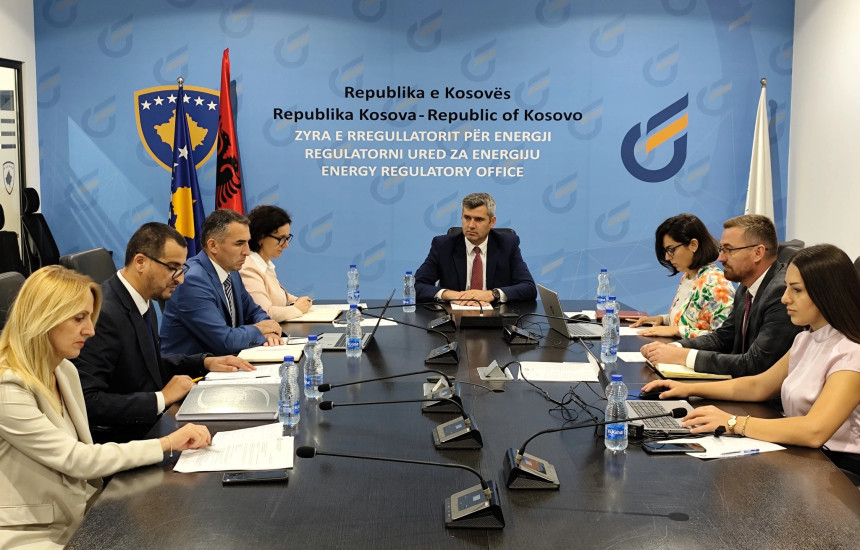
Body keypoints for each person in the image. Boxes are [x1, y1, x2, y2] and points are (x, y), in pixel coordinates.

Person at [0, 266, 211, 548]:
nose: (90, 330)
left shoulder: (64, 369)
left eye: (90, 317)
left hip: (76, 516)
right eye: (79, 318)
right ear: (43, 317)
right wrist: (167, 443)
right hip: (28, 533)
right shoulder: (7, 387)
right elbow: (76, 459)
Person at [642, 244, 860, 475]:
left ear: (827, 294)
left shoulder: (851, 352)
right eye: (787, 287)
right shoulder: (806, 338)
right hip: (805, 458)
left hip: (839, 470)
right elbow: (759, 386)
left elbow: (814, 431)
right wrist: (689, 389)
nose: (785, 298)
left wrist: (733, 423)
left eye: (796, 290)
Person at [73, 222, 254, 443]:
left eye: (182, 269)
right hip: (124, 441)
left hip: (148, 426)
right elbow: (88, 402)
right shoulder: (103, 315)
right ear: (140, 262)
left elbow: (146, 365)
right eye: (172, 268)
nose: (180, 279)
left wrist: (205, 362)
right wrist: (161, 398)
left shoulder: (143, 298)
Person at [641, 214, 800, 377]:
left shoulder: (781, 294)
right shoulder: (746, 287)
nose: (720, 258)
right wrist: (675, 347)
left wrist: (684, 356)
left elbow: (755, 364)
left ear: (758, 252)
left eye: (729, 250)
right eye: (721, 249)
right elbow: (723, 338)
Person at [160, 209, 283, 356]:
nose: (247, 251)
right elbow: (225, 341)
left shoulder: (232, 272)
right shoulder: (193, 280)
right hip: (194, 368)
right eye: (239, 243)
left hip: (226, 361)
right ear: (213, 245)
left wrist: (270, 330)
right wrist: (259, 330)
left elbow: (254, 312)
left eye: (247, 243)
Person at [414, 192, 536, 304]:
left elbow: (529, 288)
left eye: (479, 219)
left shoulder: (507, 244)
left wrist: (492, 294)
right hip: (454, 314)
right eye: (467, 218)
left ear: (492, 222)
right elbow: (416, 285)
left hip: (495, 314)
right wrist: (451, 295)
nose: (471, 225)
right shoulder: (443, 246)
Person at [631, 214, 735, 338]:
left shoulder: (715, 283)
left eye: (671, 249)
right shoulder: (688, 276)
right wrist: (663, 319)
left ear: (693, 245)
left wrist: (677, 330)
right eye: (666, 251)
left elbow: (724, 338)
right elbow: (693, 320)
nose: (667, 257)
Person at [239, 205, 312, 322]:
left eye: (287, 238)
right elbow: (264, 313)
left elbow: (279, 297)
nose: (286, 245)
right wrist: (296, 308)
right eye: (281, 239)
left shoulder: (265, 264)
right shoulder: (247, 268)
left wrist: (299, 301)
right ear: (261, 237)